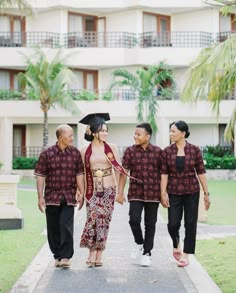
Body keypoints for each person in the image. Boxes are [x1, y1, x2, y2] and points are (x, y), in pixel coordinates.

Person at [160, 120, 210, 267]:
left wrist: (206, 194)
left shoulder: (194, 150)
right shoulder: (166, 151)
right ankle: (176, 244)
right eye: (170, 131)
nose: (171, 134)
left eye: (173, 131)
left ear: (183, 133)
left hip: (192, 191)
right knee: (173, 224)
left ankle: (186, 255)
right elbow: (164, 174)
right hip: (173, 191)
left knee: (190, 223)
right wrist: (163, 193)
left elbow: (201, 172)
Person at [34, 124, 85, 268]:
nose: (72, 138)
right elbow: (40, 176)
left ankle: (65, 257)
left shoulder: (75, 153)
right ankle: (57, 254)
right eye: (70, 136)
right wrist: (40, 197)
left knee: (65, 225)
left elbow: (79, 174)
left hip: (69, 196)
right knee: (53, 227)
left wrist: (81, 192)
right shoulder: (47, 154)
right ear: (61, 137)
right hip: (52, 197)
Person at [79, 112, 124, 267]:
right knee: (92, 219)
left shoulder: (111, 148)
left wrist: (118, 190)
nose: (105, 133)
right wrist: (80, 191)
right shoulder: (85, 150)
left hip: (108, 189)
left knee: (104, 221)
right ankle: (91, 251)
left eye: (106, 130)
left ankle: (99, 253)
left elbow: (118, 169)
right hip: (92, 188)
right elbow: (82, 172)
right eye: (102, 130)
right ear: (93, 132)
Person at [117, 122, 162, 267]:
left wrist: (163, 193)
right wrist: (120, 192)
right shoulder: (130, 151)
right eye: (135, 133)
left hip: (153, 193)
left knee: (150, 224)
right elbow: (124, 173)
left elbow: (163, 174)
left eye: (138, 134)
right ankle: (139, 242)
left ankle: (147, 253)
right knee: (134, 220)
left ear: (147, 136)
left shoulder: (158, 152)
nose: (135, 136)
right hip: (136, 192)